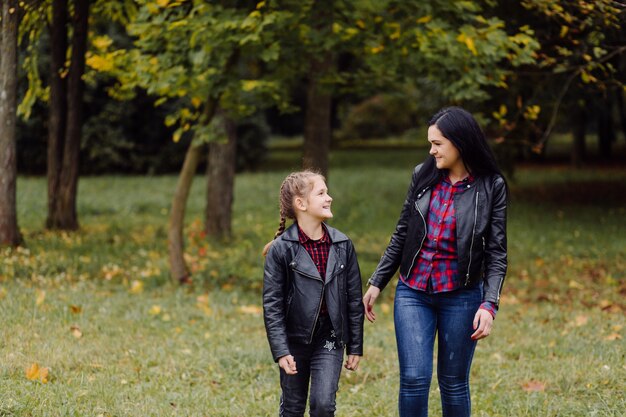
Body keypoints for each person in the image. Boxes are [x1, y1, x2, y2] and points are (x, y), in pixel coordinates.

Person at [362, 107, 508, 417]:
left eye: (438, 144)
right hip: (413, 291)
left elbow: (496, 252)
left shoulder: (491, 186)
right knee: (414, 379)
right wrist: (377, 281)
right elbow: (402, 232)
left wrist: (489, 304)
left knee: (454, 382)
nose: (432, 150)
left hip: (463, 294)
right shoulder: (423, 175)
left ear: (460, 142)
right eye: (431, 143)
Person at [263, 171, 364, 417]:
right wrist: (281, 350)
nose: (329, 198)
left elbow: (353, 299)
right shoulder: (281, 250)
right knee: (293, 407)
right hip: (294, 339)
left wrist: (355, 346)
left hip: (329, 336)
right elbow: (272, 305)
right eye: (321, 193)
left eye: (327, 192)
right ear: (301, 203)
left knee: (323, 405)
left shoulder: (342, 245)